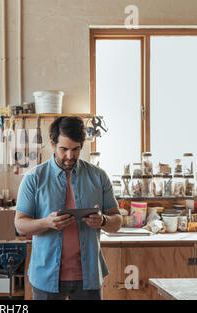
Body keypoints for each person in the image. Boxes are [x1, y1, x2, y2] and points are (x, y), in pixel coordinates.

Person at [15, 116, 122, 300]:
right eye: (64, 149)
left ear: (82, 145)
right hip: (46, 277)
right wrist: (47, 222)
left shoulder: (99, 177)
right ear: (52, 144)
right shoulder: (34, 178)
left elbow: (117, 221)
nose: (70, 156)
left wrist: (103, 220)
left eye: (76, 149)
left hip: (88, 277)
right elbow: (20, 225)